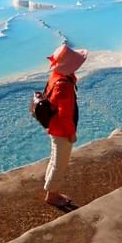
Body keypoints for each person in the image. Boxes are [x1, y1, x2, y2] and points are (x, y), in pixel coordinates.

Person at [43, 44, 87, 212]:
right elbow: (64, 115)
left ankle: (50, 189)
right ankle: (52, 196)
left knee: (55, 160)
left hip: (54, 127)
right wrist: (71, 134)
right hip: (61, 131)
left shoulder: (56, 76)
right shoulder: (64, 85)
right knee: (59, 163)